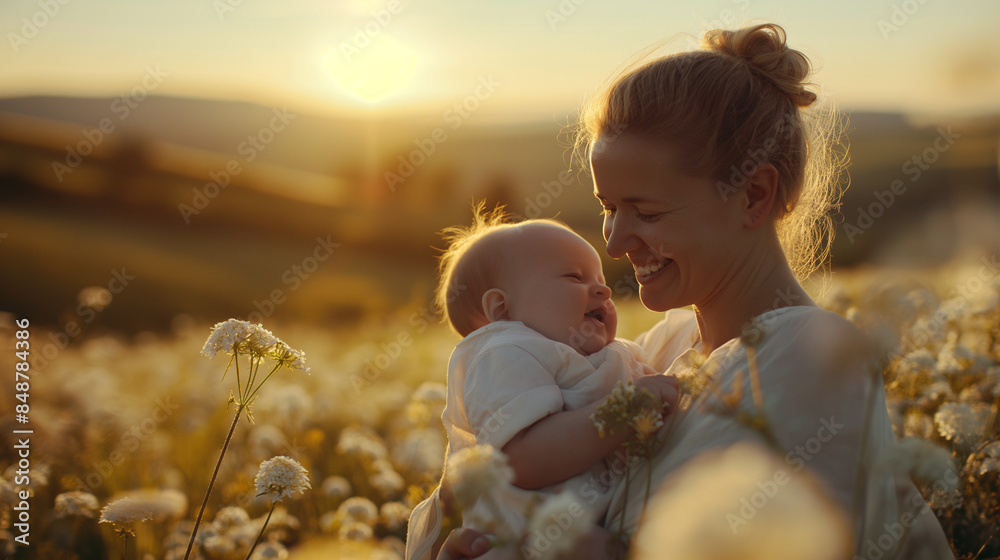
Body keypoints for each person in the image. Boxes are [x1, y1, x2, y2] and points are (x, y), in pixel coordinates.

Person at [436, 22, 954, 560]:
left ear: (753, 195)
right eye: (608, 208)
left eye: (649, 211)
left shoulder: (808, 359)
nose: (613, 243)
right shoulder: (657, 352)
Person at [405, 210, 680, 560]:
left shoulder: (614, 353)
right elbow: (520, 458)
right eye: (574, 277)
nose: (603, 288)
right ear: (502, 310)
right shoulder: (505, 350)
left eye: (599, 278)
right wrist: (626, 409)